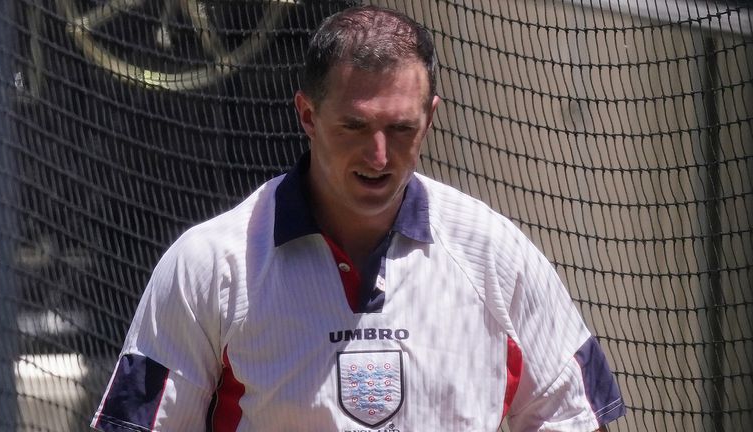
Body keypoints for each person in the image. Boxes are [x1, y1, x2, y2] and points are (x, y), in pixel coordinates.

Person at [91, 5, 625, 431]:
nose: (378, 155)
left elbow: (573, 415)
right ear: (307, 114)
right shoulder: (211, 264)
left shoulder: (494, 255)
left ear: (431, 118)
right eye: (354, 126)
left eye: (400, 129)